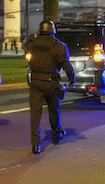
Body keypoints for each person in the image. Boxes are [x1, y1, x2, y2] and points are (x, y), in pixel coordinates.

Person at [25, 20, 75, 154]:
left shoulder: (32, 43)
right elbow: (66, 64)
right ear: (53, 30)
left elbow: (27, 54)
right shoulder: (58, 45)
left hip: (35, 82)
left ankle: (35, 144)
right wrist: (72, 77)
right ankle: (56, 134)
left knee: (35, 114)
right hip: (51, 83)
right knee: (54, 110)